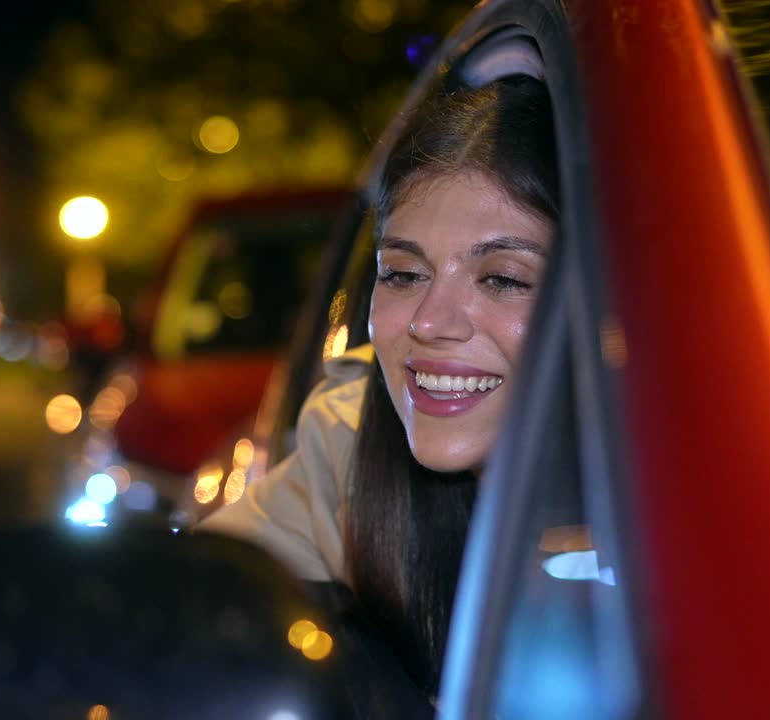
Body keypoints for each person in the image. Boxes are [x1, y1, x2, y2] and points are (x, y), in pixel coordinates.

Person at [198, 73, 558, 707]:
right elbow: (182, 612)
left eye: (502, 279)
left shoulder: (685, 497)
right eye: (404, 274)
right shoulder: (346, 446)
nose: (429, 322)